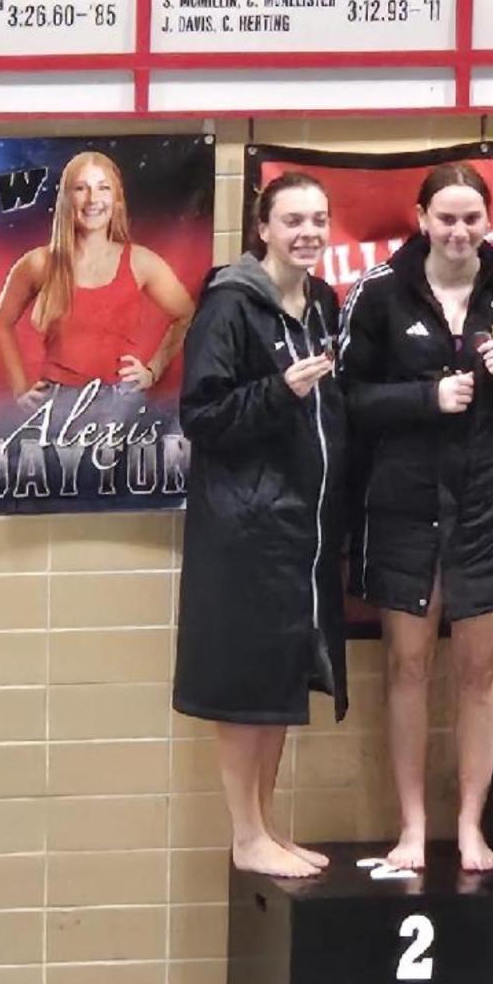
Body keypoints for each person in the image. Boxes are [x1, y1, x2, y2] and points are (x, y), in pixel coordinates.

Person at [339, 163, 493, 871]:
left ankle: (470, 824)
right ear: (421, 218)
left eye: (471, 218)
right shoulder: (379, 294)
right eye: (446, 217)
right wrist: (424, 398)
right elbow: (345, 398)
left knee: (479, 670)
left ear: (489, 223)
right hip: (406, 504)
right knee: (408, 665)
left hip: (492, 501)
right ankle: (413, 826)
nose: (458, 231)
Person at [173, 171, 346, 879]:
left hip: (299, 530)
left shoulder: (322, 302)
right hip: (245, 528)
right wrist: (280, 392)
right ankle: (245, 832)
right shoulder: (230, 308)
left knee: (278, 684)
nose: (308, 232)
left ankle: (267, 826)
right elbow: (203, 416)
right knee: (244, 690)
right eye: (293, 220)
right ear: (263, 230)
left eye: (319, 220)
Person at [0, 151, 194, 410]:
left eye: (103, 188)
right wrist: (20, 389)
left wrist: (153, 370)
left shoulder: (141, 262)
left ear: (117, 199)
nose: (93, 199)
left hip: (121, 404)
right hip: (59, 403)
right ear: (66, 199)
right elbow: (1, 324)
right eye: (81, 188)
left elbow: (187, 314)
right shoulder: (38, 263)